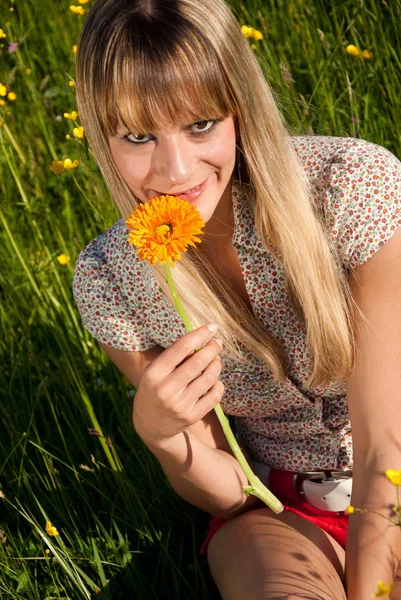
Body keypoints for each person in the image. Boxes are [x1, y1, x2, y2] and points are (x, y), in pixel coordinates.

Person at [72, 0, 401, 597]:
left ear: (239, 109)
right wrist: (164, 436)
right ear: (102, 136)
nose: (174, 170)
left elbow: (386, 449)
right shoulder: (109, 278)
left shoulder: (352, 188)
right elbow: (230, 490)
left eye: (201, 125)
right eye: (139, 135)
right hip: (281, 512)